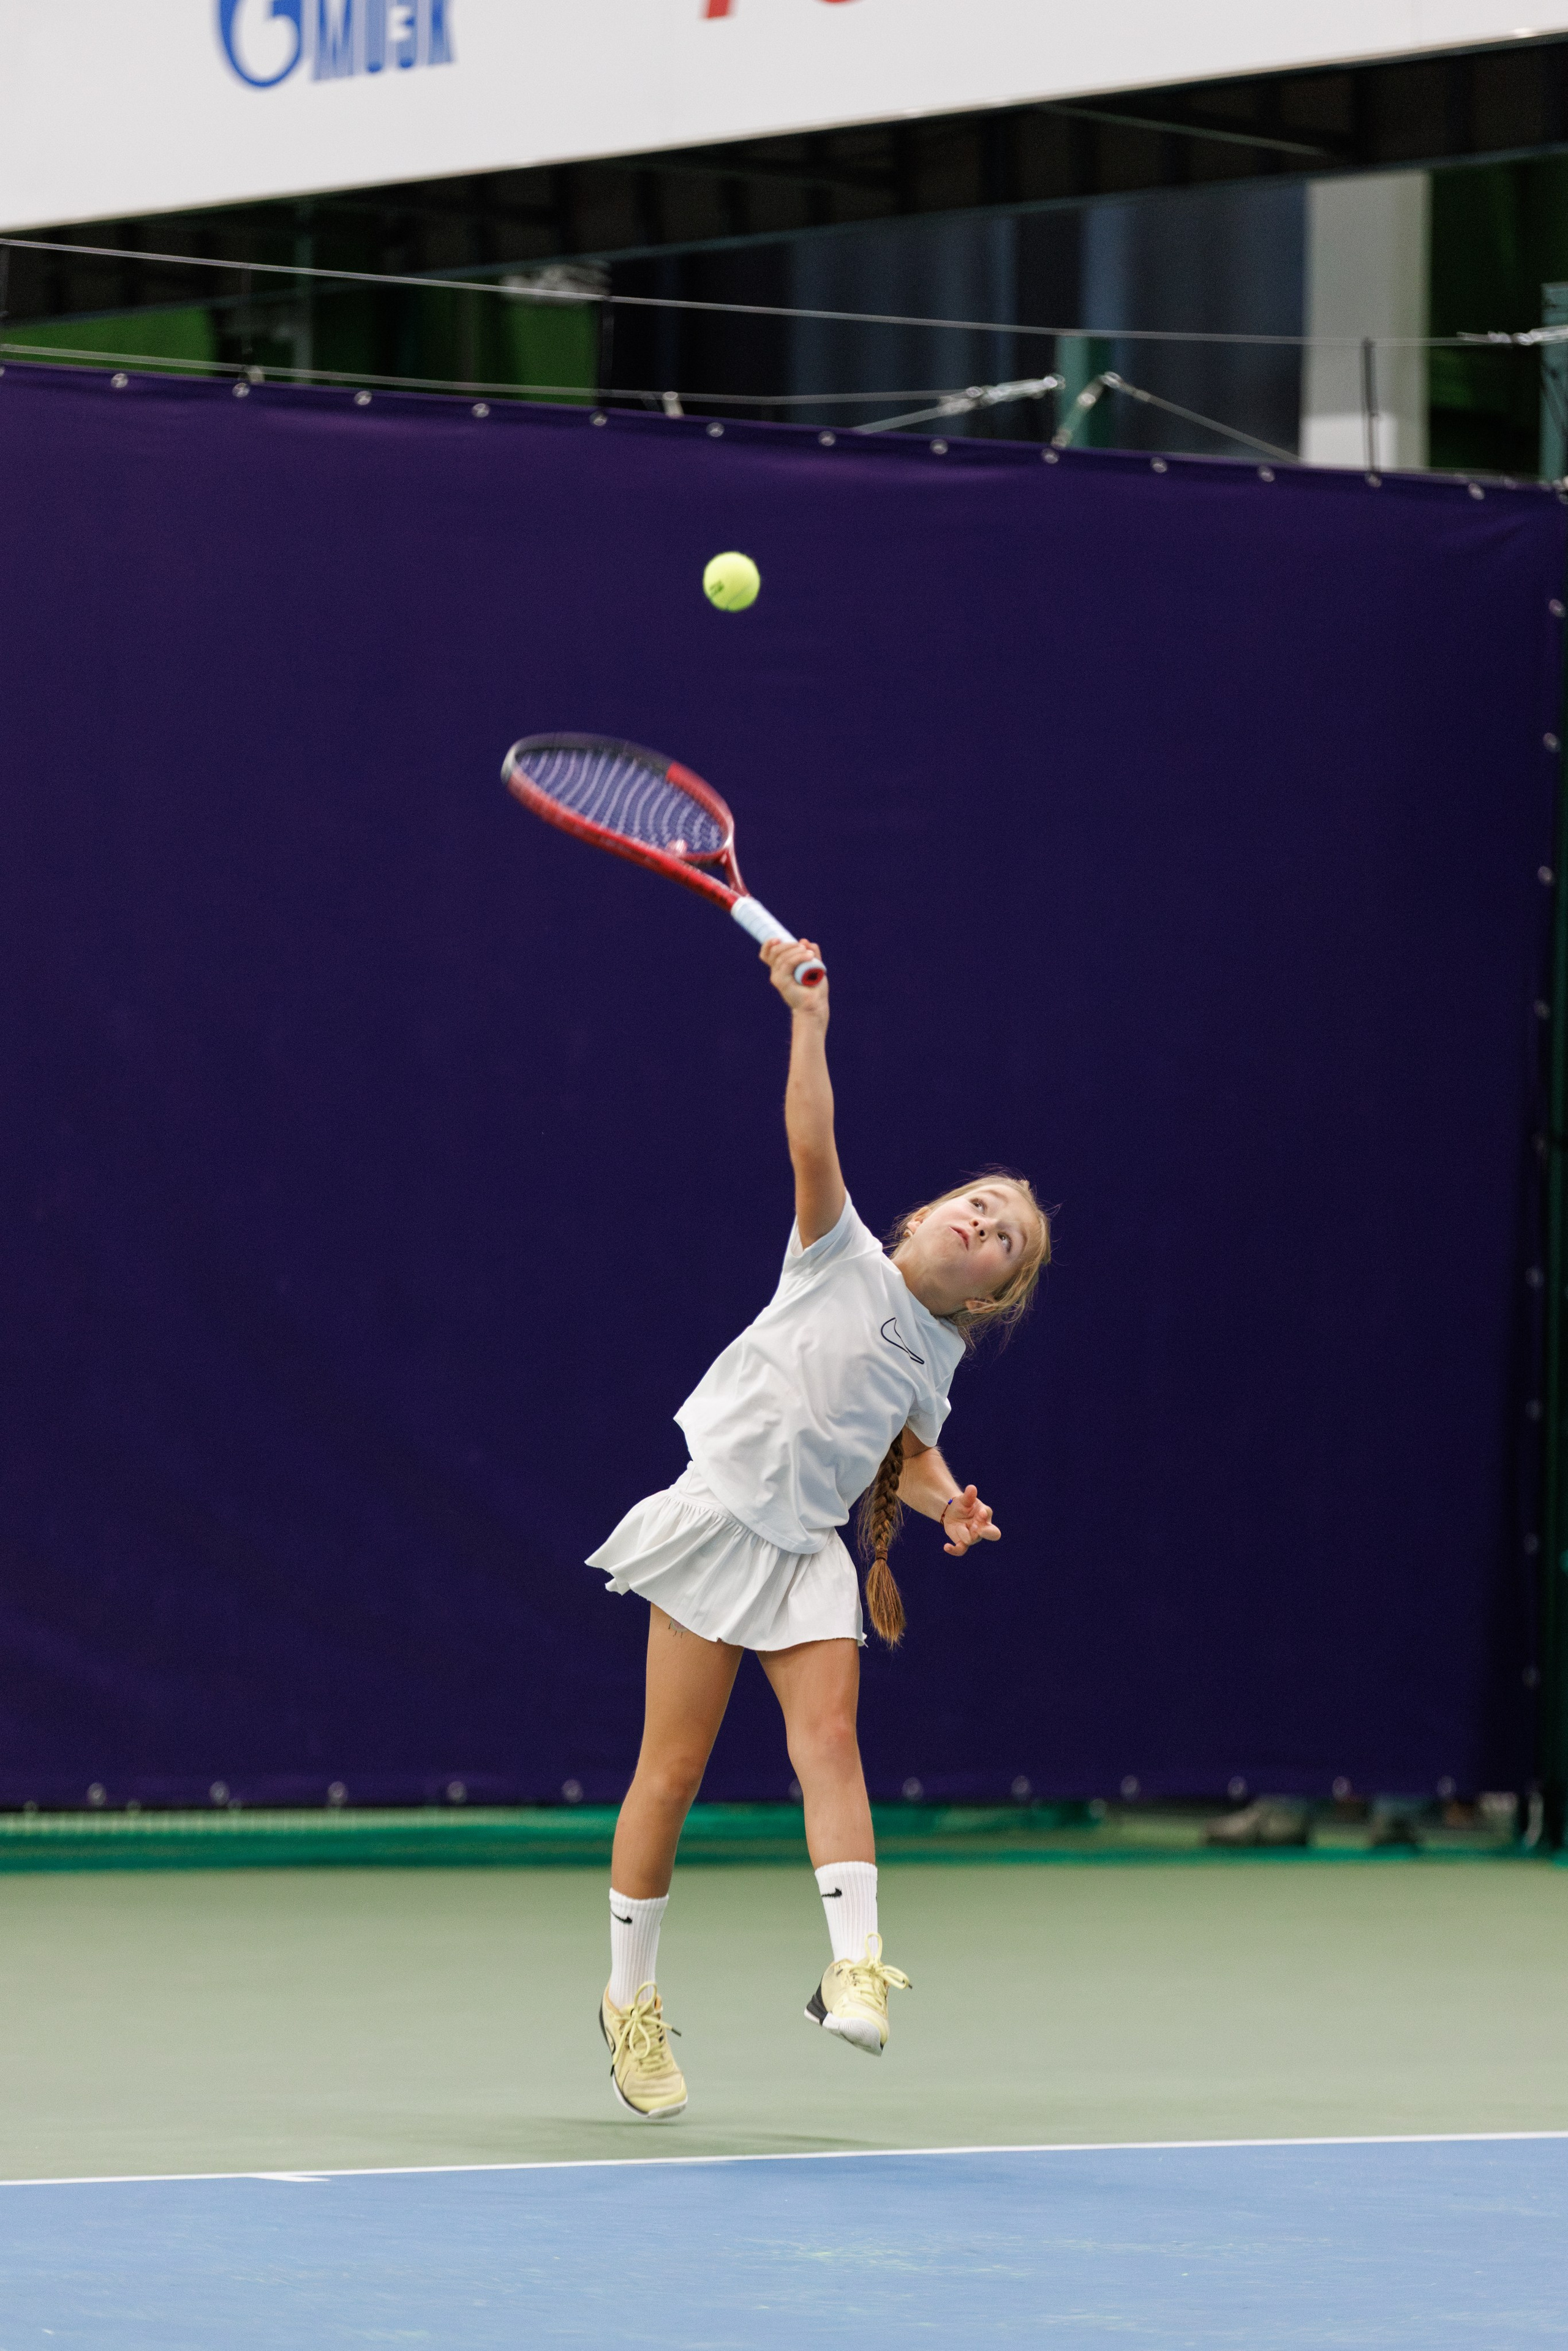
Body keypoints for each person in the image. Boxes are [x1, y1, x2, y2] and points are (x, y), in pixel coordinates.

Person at [587, 935, 1051, 2119]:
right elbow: (811, 1137)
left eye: (1004, 1238)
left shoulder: (933, 1357)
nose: (985, 1224)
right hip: (715, 1526)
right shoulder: (837, 1250)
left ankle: (855, 1966)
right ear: (926, 1213)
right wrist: (808, 1019)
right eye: (979, 1204)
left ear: (989, 1293)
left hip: (806, 1558)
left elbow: (905, 1440)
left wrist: (952, 1501)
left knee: (830, 1748)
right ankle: (628, 2001)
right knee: (672, 1773)